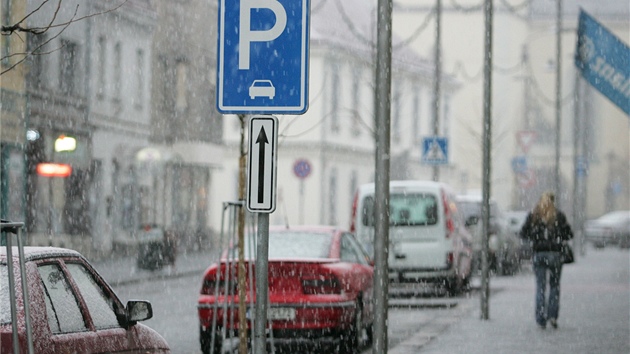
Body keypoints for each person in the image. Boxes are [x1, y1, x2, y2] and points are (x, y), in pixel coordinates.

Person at [520, 192, 573, 329]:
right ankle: (553, 316)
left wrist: (536, 238)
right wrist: (558, 239)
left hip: (539, 254)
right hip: (555, 254)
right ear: (553, 201)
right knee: (555, 286)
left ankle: (540, 318)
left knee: (540, 287)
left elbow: (523, 233)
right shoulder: (558, 216)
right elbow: (569, 233)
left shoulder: (534, 216)